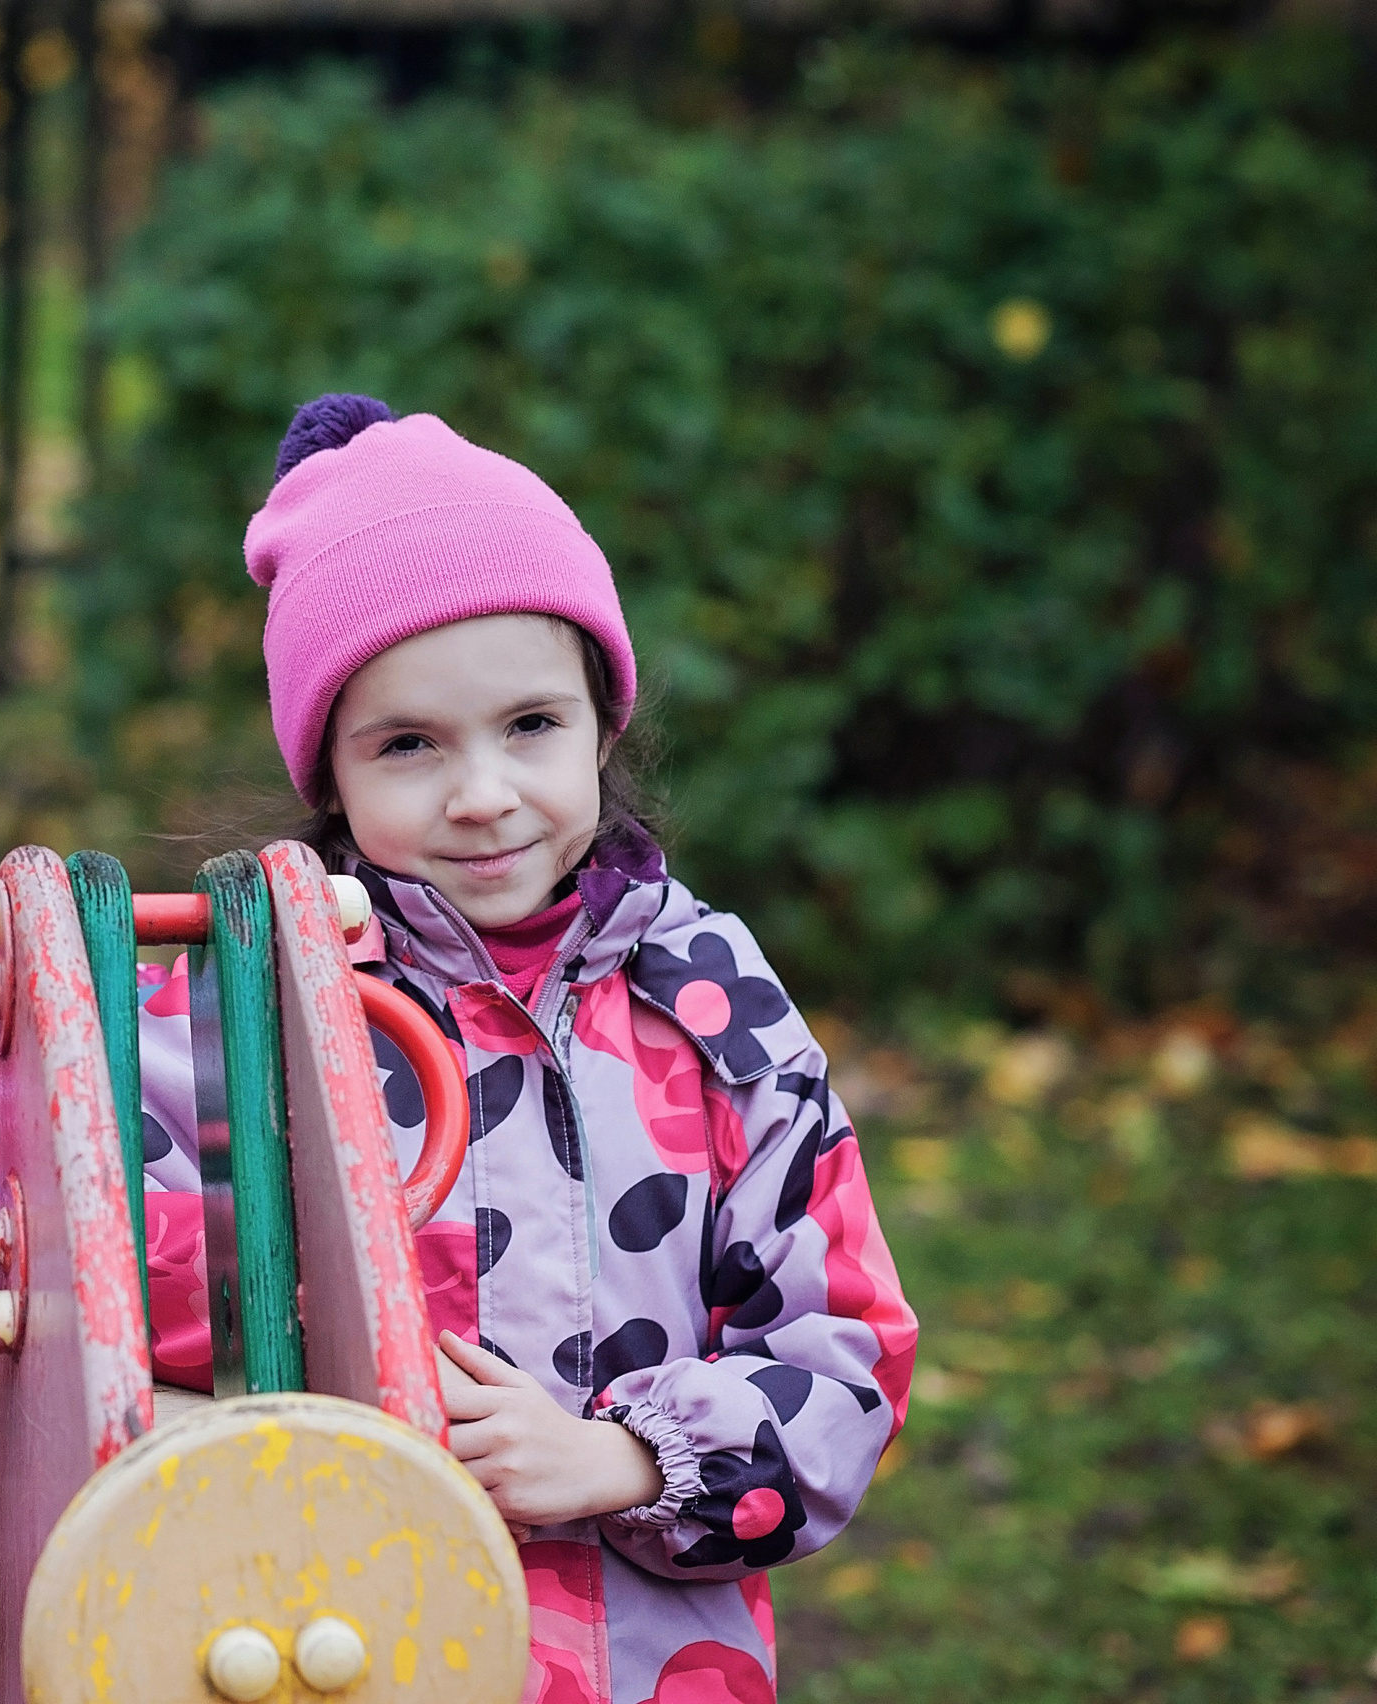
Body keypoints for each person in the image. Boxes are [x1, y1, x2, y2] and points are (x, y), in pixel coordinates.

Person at [134, 396, 919, 1704]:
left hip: (654, 1666)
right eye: (408, 745)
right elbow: (90, 1272)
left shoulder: (709, 1003)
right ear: (332, 773)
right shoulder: (252, 1006)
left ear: (601, 722)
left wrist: (626, 1461)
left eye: (530, 726)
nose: (484, 794)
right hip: (337, 1646)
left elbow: (844, 1352)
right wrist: (324, 1340)